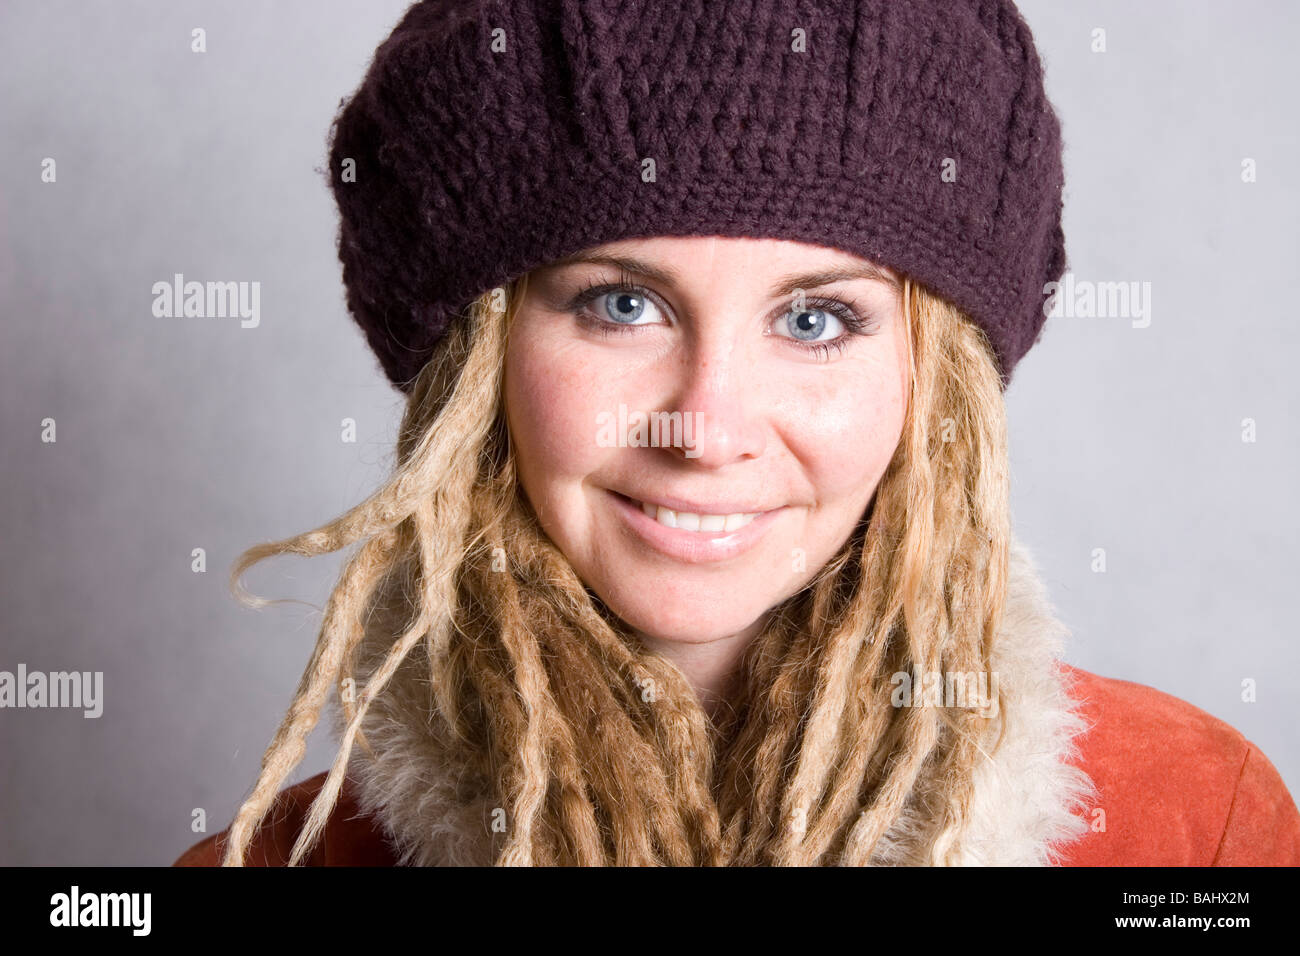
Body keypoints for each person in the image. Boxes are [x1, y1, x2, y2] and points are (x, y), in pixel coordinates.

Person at [175, 0, 1300, 866]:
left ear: (937, 383)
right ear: (479, 363)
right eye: (621, 303)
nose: (705, 427)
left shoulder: (1192, 821)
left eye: (817, 319)